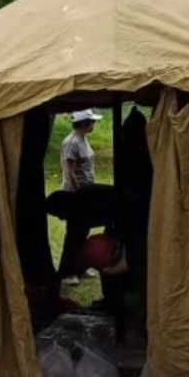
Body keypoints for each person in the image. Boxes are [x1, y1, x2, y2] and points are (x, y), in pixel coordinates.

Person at [51, 109, 112, 284]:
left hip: (87, 193)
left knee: (82, 232)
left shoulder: (82, 140)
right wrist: (79, 197)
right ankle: (68, 272)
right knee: (74, 234)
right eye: (92, 122)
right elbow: (70, 173)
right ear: (85, 123)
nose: (94, 124)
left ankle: (80, 268)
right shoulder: (72, 142)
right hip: (78, 195)